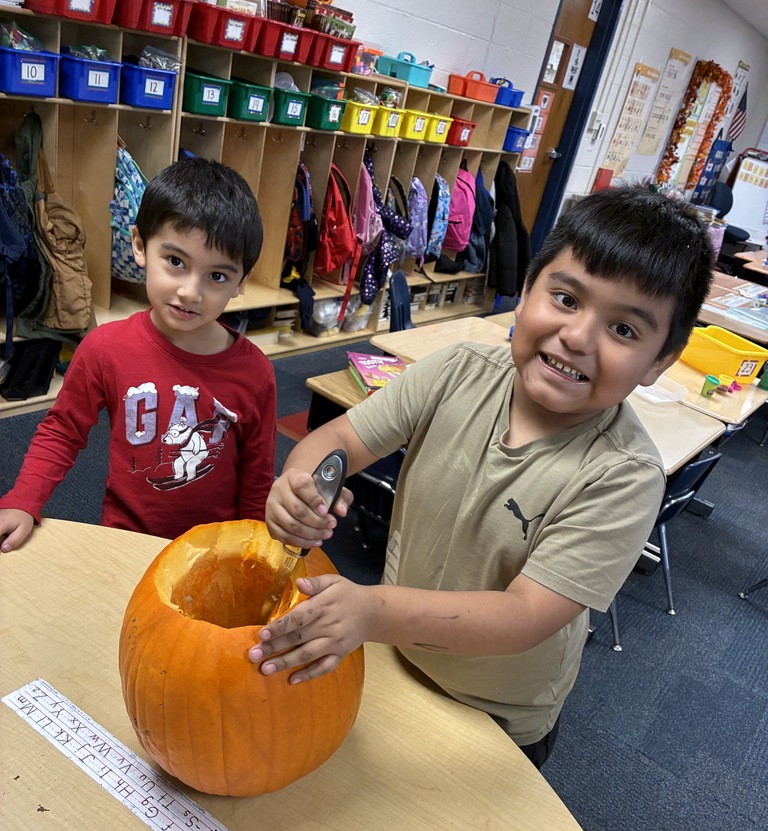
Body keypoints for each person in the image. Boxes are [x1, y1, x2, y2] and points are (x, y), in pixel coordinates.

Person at [246, 186, 715, 769]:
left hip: (498, 715)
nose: (578, 336)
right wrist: (299, 483)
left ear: (659, 362)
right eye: (566, 298)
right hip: (393, 655)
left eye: (624, 330)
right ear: (525, 293)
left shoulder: (623, 476)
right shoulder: (456, 371)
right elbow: (337, 441)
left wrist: (371, 612)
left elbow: (523, 617)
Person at [0, 157, 276, 551]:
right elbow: (62, 430)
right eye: (176, 262)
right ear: (139, 246)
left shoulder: (256, 373)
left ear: (242, 281)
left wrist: (253, 544)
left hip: (215, 549)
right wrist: (24, 499)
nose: (190, 292)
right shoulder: (105, 349)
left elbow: (257, 474)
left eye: (217, 276)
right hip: (125, 538)